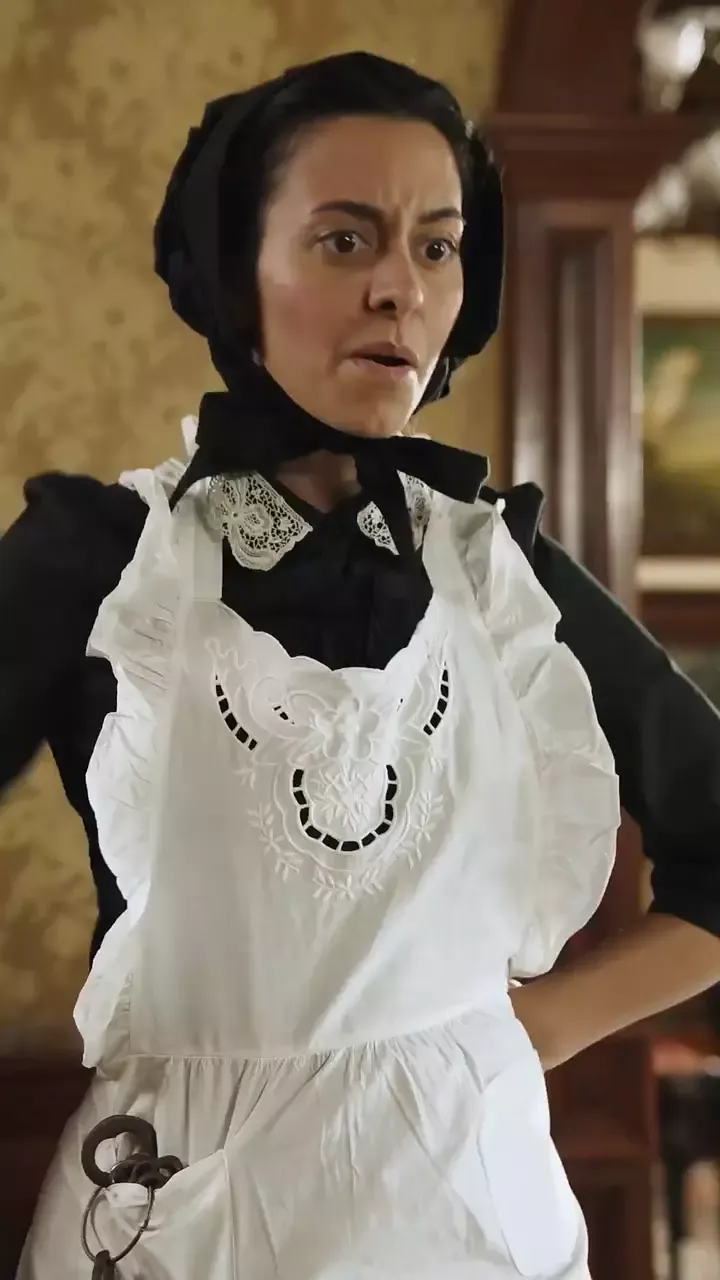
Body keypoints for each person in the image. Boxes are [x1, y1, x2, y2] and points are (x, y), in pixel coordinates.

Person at [3, 49, 720, 1280]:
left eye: (438, 246)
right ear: (240, 269)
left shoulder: (503, 575)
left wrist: (522, 1032)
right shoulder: (109, 558)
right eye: (346, 241)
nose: (402, 287)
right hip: (183, 1226)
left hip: (473, 1221)